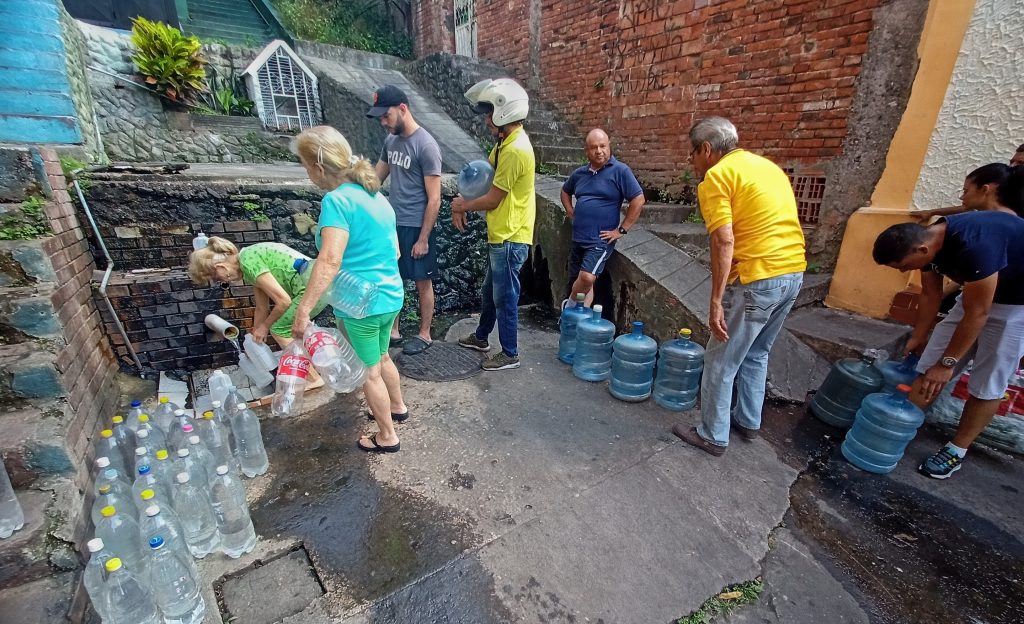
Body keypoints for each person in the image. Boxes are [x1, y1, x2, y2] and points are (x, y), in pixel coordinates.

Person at [872, 168, 1024, 479]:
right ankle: (899, 426)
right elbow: (930, 294)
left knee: (987, 380)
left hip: (1015, 306)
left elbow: (978, 314)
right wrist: (920, 335)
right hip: (975, 298)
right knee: (928, 365)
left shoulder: (975, 245)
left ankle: (956, 450)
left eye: (902, 266)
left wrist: (949, 363)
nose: (903, 272)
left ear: (921, 250)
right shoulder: (930, 243)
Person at [671, 117, 807, 456]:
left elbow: (723, 240)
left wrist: (716, 300)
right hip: (793, 272)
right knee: (757, 352)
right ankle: (748, 421)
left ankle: (713, 435)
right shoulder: (767, 168)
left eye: (692, 154)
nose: (692, 162)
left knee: (720, 359)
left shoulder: (716, 176)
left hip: (758, 277)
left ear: (706, 149)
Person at [290, 126, 408, 454]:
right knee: (382, 357)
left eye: (304, 165)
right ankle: (397, 407)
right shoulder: (376, 197)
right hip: (390, 296)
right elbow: (395, 252)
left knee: (369, 371)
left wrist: (303, 310)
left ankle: (386, 436)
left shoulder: (336, 201)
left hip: (363, 305)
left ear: (316, 167)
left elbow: (329, 259)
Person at [451, 78, 535, 371]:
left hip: (511, 237)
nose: (486, 120)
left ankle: (510, 353)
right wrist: (460, 198)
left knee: (505, 297)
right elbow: (483, 179)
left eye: (489, 113)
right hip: (502, 234)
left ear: (504, 112)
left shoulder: (515, 150)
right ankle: (482, 337)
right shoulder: (504, 144)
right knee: (491, 291)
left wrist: (463, 205)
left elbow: (493, 199)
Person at [187, 238, 325, 391]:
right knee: (295, 330)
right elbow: (261, 307)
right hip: (315, 286)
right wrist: (254, 336)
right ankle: (322, 368)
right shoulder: (249, 260)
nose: (221, 281)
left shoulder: (248, 262)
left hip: (311, 289)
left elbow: (283, 301)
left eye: (216, 278)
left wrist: (265, 327)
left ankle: (314, 378)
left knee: (279, 331)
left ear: (220, 267)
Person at [367, 84, 443, 355]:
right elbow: (376, 179)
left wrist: (423, 238)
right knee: (393, 279)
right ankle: (394, 330)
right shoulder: (391, 142)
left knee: (422, 281)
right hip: (393, 224)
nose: (383, 123)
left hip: (417, 224)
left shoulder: (426, 145)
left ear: (402, 109)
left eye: (386, 116)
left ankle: (425, 334)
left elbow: (435, 198)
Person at [560, 128, 645, 306]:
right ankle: (581, 320)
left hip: (600, 240)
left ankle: (568, 309)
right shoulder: (580, 174)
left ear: (609, 146)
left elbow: (638, 199)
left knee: (587, 277)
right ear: (587, 151)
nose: (599, 151)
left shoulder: (620, 171)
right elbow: (565, 191)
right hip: (578, 237)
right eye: (594, 147)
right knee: (581, 282)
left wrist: (622, 229)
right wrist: (569, 210)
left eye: (602, 146)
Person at [914, 163, 1017, 220]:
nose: (1013, 165)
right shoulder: (1012, 219)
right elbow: (967, 208)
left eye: (966, 191)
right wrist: (932, 212)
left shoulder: (980, 223)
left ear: (985, 189)